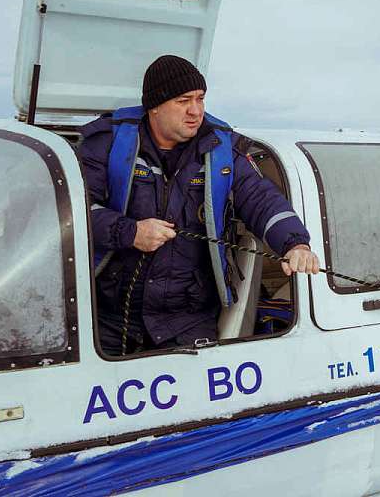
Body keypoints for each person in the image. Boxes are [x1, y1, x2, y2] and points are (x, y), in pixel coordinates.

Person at [79, 55, 319, 356]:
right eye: (183, 101)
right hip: (110, 315)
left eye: (200, 99)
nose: (196, 111)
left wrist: (296, 244)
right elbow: (77, 210)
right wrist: (130, 232)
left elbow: (261, 199)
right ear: (154, 106)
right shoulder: (107, 143)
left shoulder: (220, 148)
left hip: (188, 318)